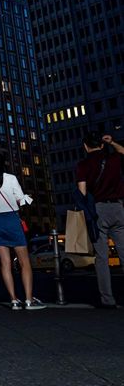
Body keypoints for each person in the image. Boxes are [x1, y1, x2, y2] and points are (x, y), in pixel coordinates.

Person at [0, 152, 46, 310]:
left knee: (5, 263)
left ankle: (13, 300)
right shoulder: (11, 178)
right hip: (12, 220)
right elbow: (21, 200)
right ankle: (28, 299)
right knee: (24, 263)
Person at [75, 131, 124, 309]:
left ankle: (107, 300)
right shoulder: (114, 159)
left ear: (85, 146)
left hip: (98, 210)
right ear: (102, 145)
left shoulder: (83, 165)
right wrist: (112, 143)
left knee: (102, 258)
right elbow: (123, 151)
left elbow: (82, 193)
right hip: (118, 208)